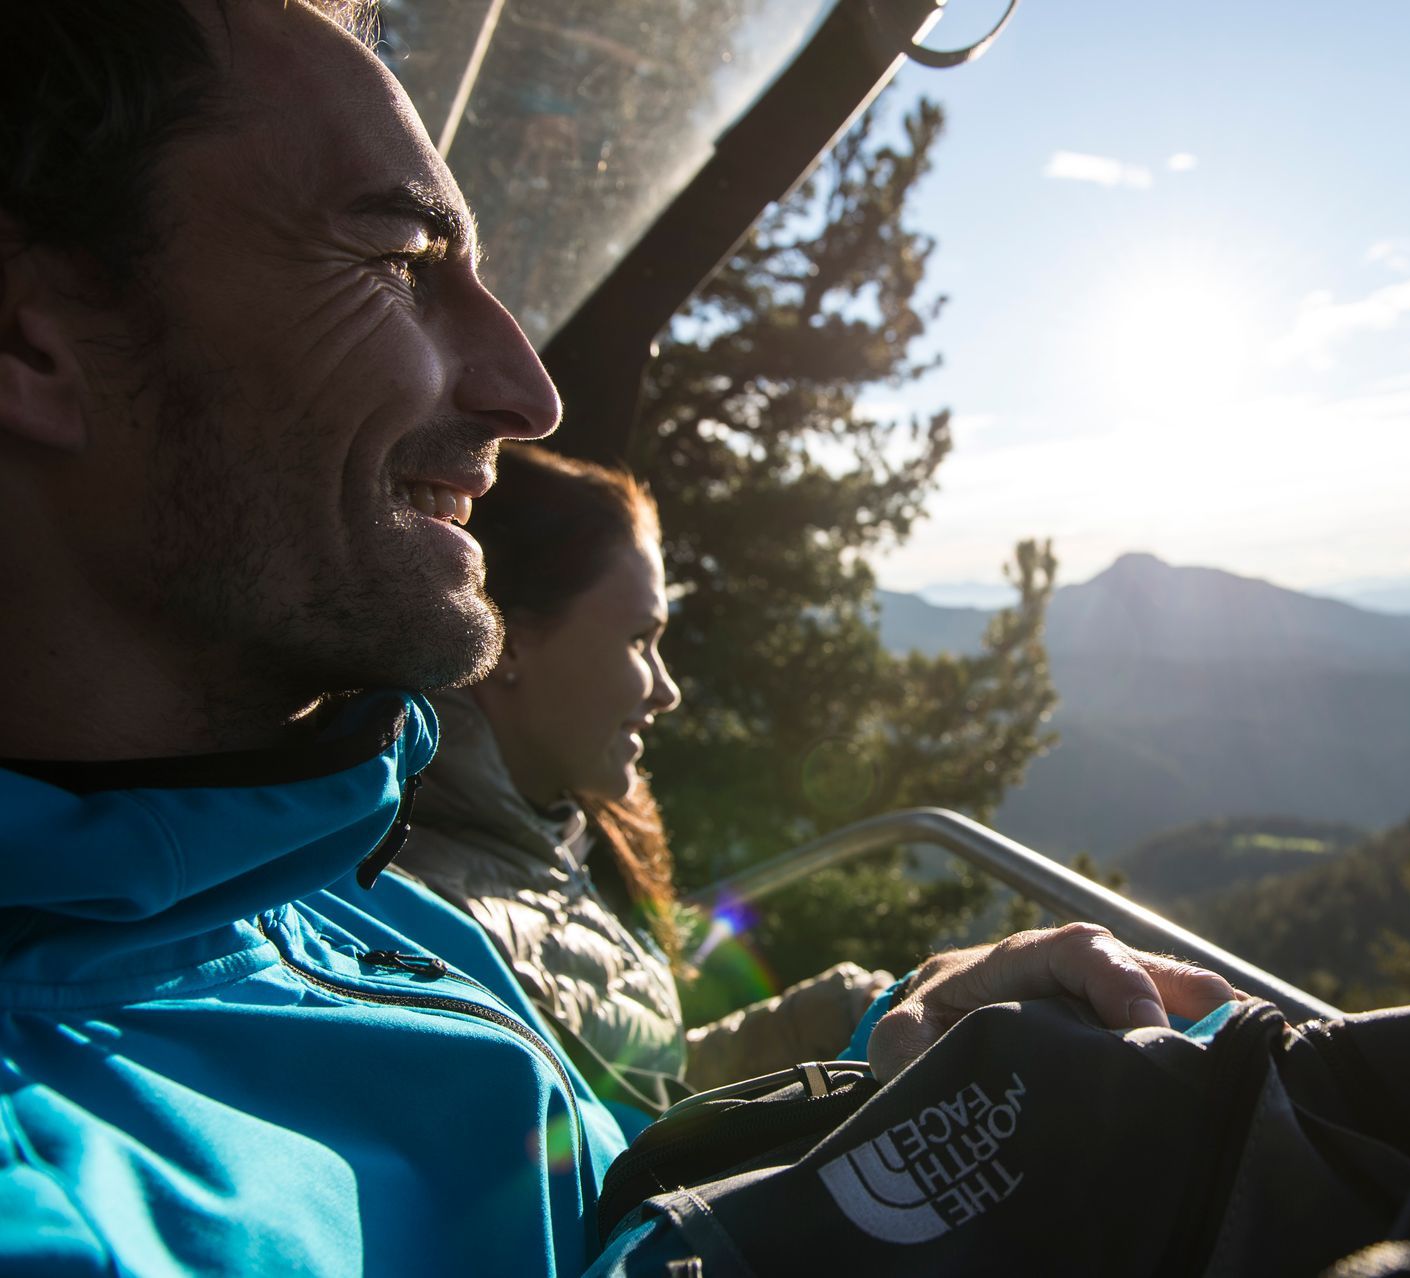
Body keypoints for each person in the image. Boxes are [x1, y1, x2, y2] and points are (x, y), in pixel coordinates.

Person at [0, 3, 1238, 1275]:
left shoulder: (315, 896)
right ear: (27, 333)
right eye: (395, 259)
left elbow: (613, 1168)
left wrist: (892, 1046)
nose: (525, 390)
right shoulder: (61, 1191)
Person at [397, 442, 890, 1126]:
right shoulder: (444, 927)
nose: (666, 690)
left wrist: (849, 1011)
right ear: (507, 640)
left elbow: (643, 1083)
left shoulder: (545, 843)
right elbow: (629, 1156)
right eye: (639, 640)